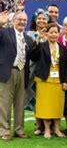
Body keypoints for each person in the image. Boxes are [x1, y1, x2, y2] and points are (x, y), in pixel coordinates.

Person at [30, 23, 67, 139]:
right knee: (46, 107)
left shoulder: (62, 48)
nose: (53, 34)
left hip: (58, 80)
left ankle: (57, 129)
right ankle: (47, 129)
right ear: (47, 33)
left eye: (55, 32)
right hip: (44, 80)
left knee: (57, 106)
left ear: (59, 34)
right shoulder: (41, 46)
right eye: (51, 32)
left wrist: (66, 81)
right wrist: (38, 38)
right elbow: (32, 55)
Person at [0, 11, 33, 140]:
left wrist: (40, 40)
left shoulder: (27, 38)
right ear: (13, 20)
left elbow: (33, 55)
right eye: (19, 19)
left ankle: (19, 129)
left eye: (24, 20)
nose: (22, 22)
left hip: (22, 71)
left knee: (20, 102)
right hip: (7, 71)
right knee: (4, 103)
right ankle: (4, 130)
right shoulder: (5, 32)